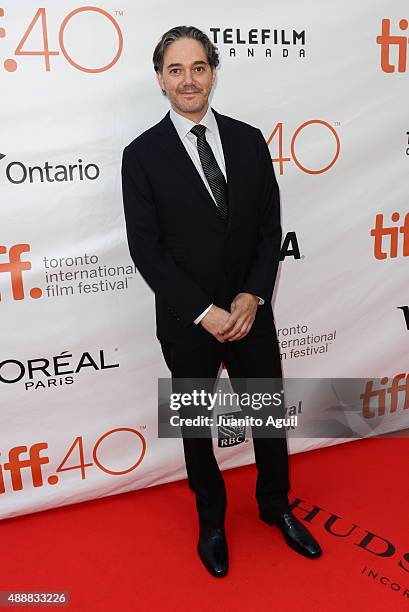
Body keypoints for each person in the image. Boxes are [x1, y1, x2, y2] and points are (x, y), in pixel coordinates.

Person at [121, 25, 322, 577]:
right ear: (160, 79)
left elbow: (268, 227)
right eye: (176, 70)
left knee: (267, 417)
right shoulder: (140, 156)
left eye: (199, 67)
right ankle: (211, 520)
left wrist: (252, 294)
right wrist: (204, 311)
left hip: (250, 311)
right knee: (195, 427)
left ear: (213, 71)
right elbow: (148, 250)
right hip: (188, 323)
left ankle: (276, 507)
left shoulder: (249, 138)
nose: (189, 80)